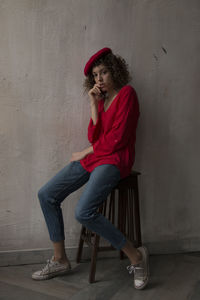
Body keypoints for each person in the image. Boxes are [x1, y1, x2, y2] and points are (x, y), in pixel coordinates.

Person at [31, 47, 149, 289]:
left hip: (116, 160)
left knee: (83, 211)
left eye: (104, 72)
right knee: (47, 194)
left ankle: (136, 256)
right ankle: (60, 259)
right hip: (98, 158)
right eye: (95, 75)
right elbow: (94, 136)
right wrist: (94, 105)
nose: (99, 79)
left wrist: (86, 151)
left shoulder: (128, 94)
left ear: (115, 70)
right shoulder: (103, 101)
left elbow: (118, 139)